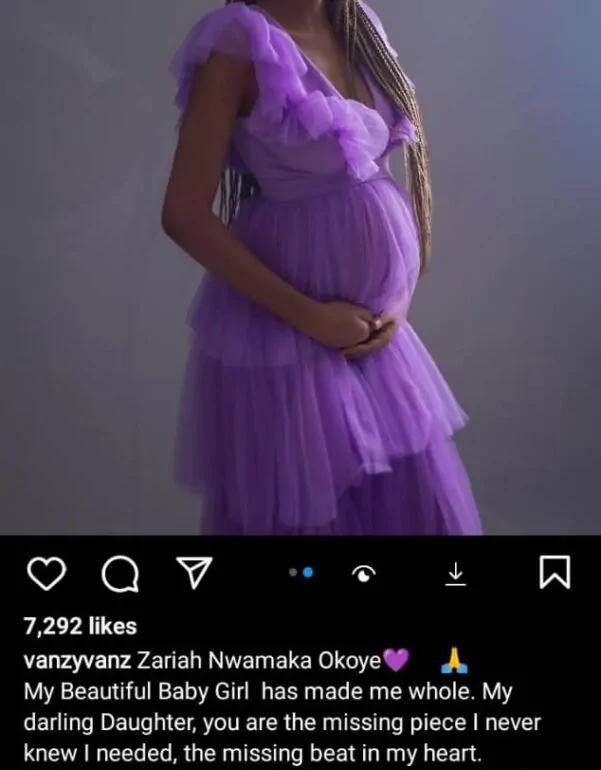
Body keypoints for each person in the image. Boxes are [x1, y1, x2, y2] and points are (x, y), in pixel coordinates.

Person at [162, 0, 482, 535]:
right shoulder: (240, 43)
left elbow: (379, 180)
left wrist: (396, 301)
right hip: (290, 334)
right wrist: (311, 318)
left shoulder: (357, 24)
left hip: (375, 333)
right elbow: (184, 213)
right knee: (314, 515)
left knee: (420, 512)